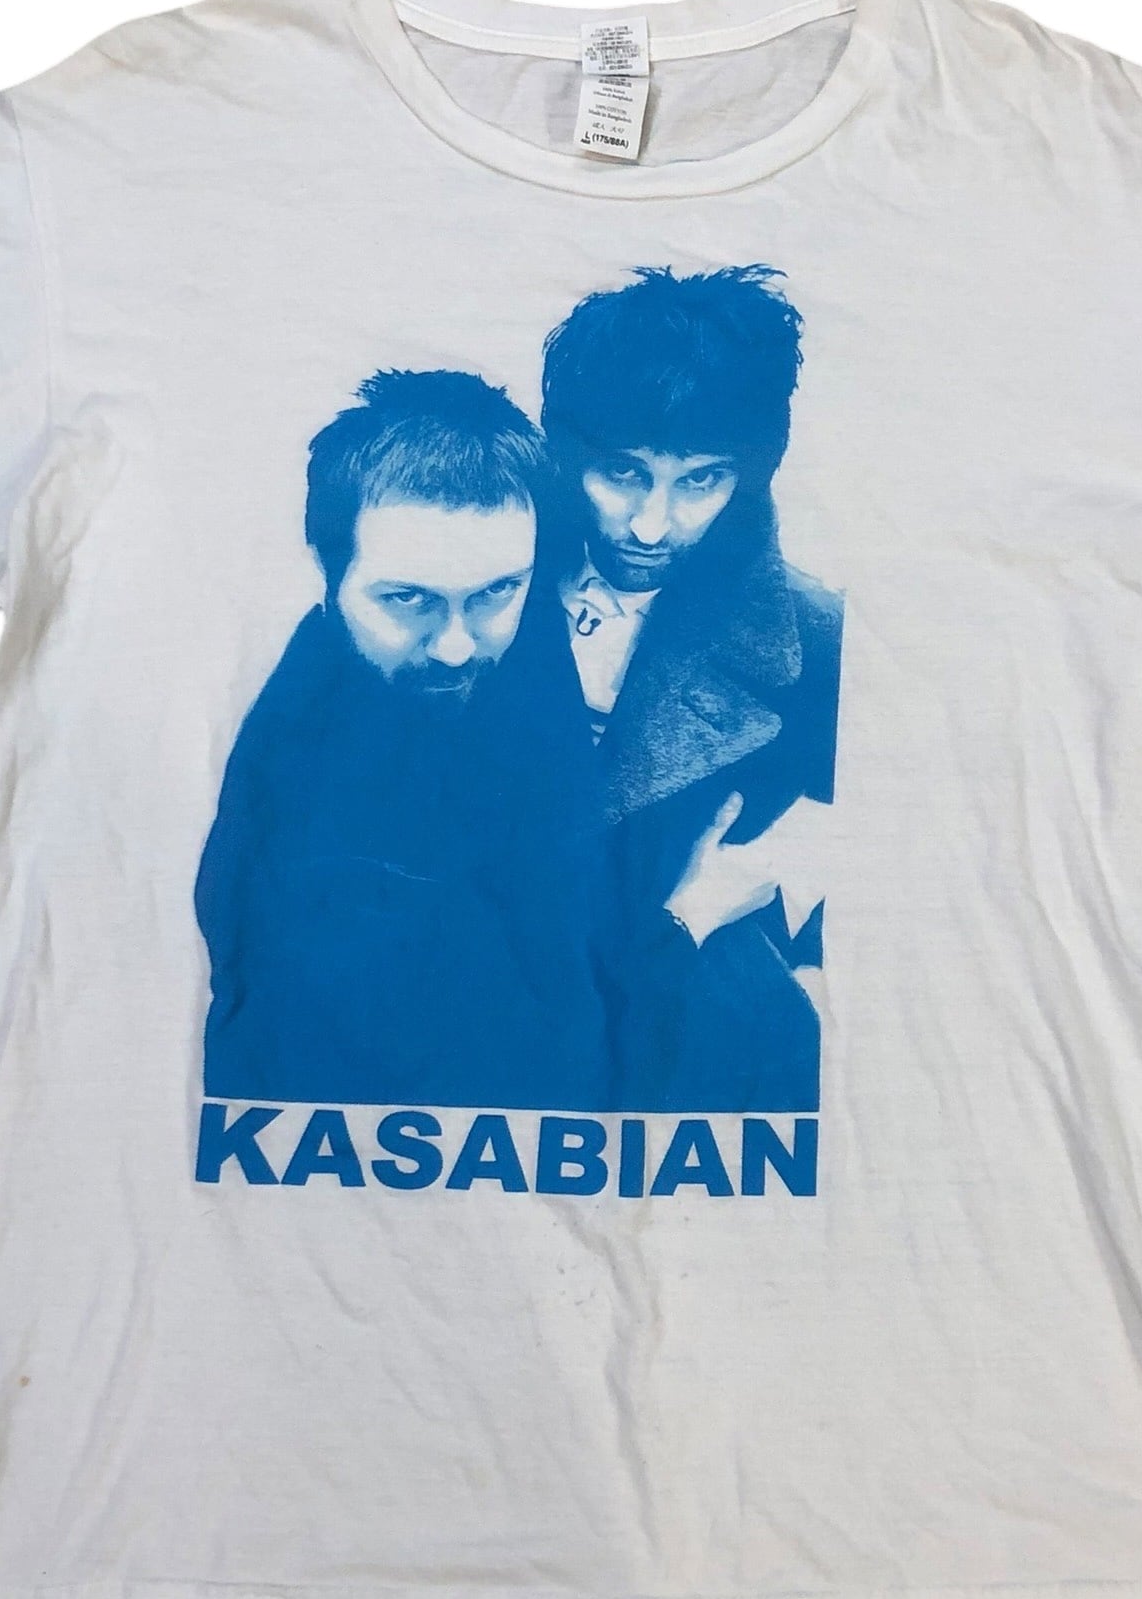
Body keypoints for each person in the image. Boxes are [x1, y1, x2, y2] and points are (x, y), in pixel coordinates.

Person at [195, 369, 597, 1111]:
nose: (455, 647)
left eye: (496, 592)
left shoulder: (521, 631)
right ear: (326, 572)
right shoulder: (298, 808)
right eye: (409, 599)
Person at [540, 265, 844, 1113]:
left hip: (695, 1070)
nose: (651, 523)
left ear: (749, 473)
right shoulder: (462, 582)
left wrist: (717, 908)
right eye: (622, 473)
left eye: (699, 480)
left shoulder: (819, 639)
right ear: (568, 452)